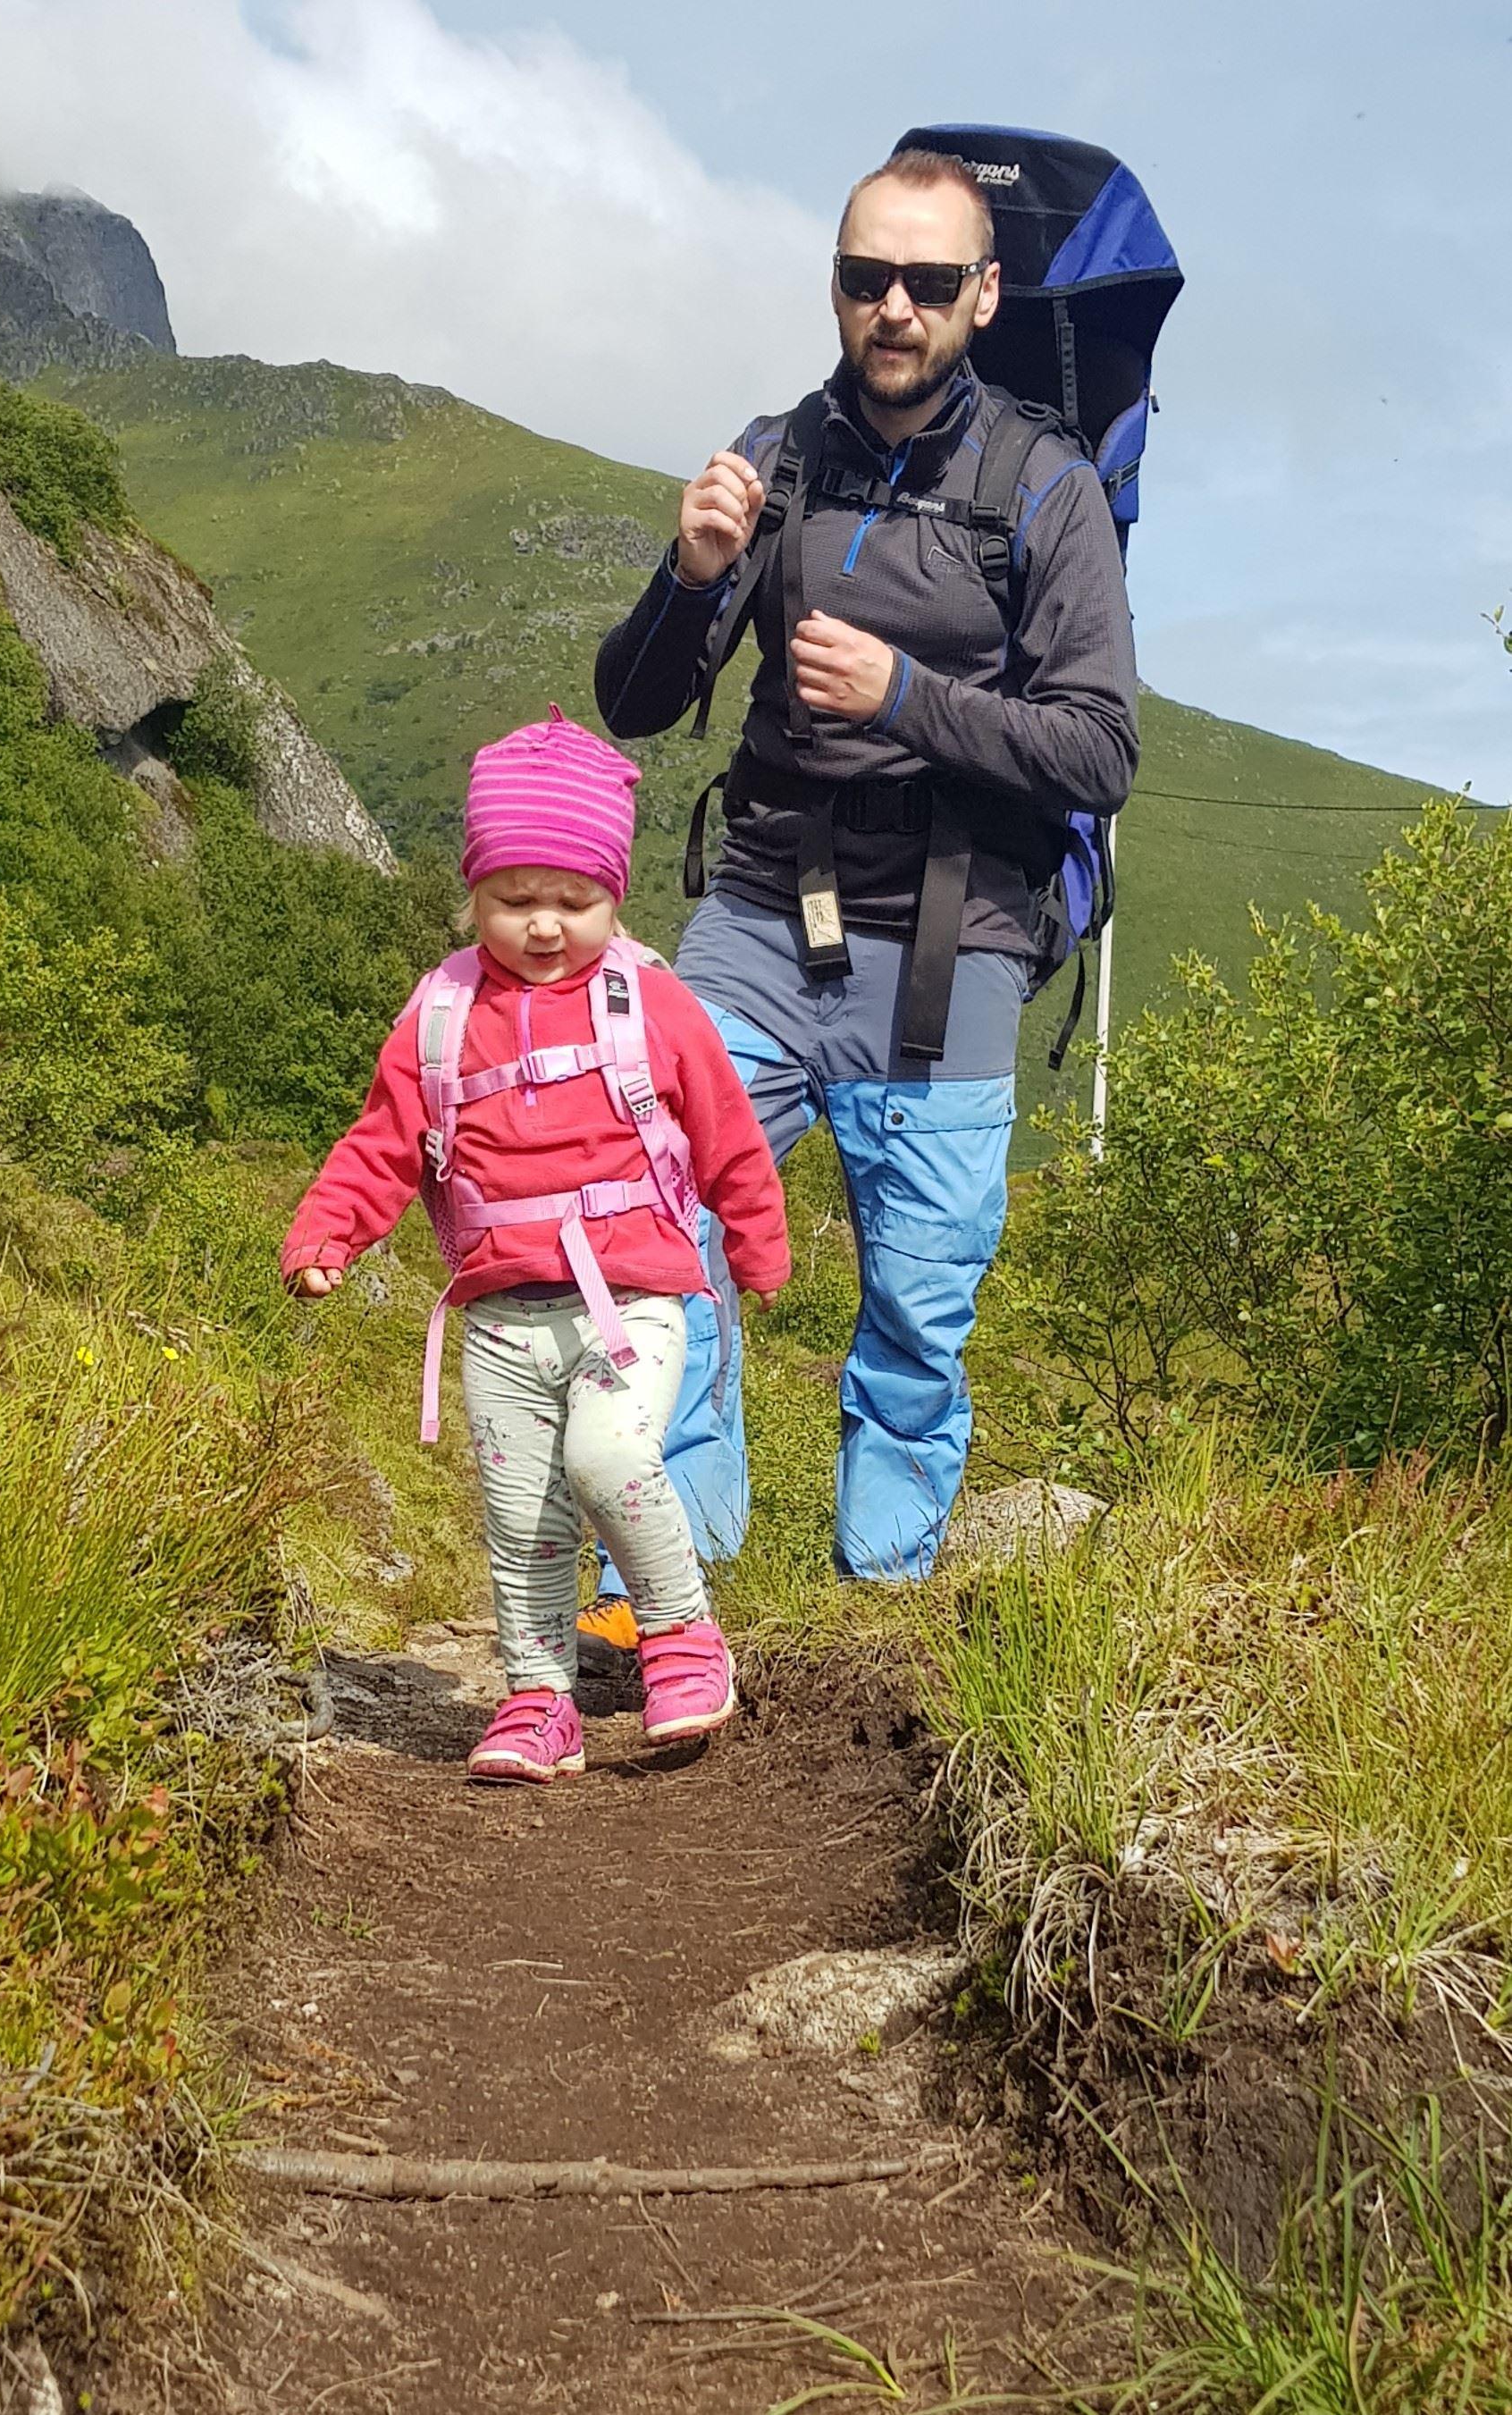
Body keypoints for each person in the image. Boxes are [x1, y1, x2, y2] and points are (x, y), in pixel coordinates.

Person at [578, 144, 1137, 1660]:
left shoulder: (1046, 489)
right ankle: (668, 1585)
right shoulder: (781, 457)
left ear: (985, 294)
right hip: (763, 910)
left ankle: (877, 1616)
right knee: (652, 1211)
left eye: (929, 282)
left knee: (917, 1303)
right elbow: (635, 703)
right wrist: (693, 577)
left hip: (955, 935)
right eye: (864, 276)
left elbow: (1099, 748)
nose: (893, 306)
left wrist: (906, 695)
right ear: (835, 282)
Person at [281, 707, 791, 1783]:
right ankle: (535, 1696)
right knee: (520, 1521)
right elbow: (385, 1140)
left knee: (607, 1458)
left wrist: (753, 1243)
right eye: (515, 898)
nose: (545, 923)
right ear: (473, 892)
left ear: (615, 895)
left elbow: (725, 1133)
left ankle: (683, 1638)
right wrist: (330, 1229)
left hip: (635, 1303)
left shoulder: (649, 999)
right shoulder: (439, 1011)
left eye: (576, 899)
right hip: (502, 1318)